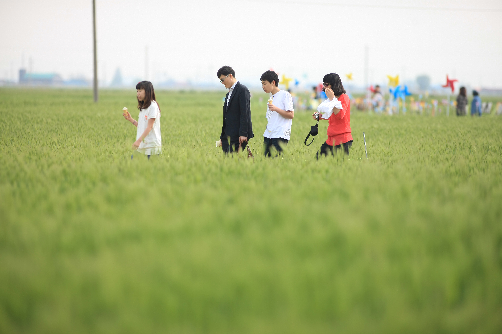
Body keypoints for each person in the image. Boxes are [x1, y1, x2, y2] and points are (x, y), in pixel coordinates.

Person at [313, 73, 352, 158]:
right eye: (324, 84)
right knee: (317, 160)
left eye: (326, 84)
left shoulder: (344, 98)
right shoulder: (331, 99)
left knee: (339, 167)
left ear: (333, 85)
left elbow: (340, 115)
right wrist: (320, 116)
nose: (324, 87)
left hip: (342, 139)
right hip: (331, 139)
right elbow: (331, 115)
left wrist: (332, 99)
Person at [216, 66, 254, 153]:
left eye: (222, 80)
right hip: (227, 136)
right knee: (227, 162)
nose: (222, 83)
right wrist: (222, 137)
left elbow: (245, 113)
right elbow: (226, 117)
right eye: (220, 81)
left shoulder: (242, 90)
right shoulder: (228, 94)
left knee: (233, 160)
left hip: (238, 136)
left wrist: (243, 134)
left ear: (230, 76)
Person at [122, 81, 162, 158]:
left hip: (151, 147)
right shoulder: (144, 106)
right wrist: (130, 119)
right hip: (142, 146)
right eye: (137, 91)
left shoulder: (153, 106)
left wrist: (138, 141)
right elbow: (142, 126)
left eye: (140, 91)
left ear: (147, 92)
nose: (138, 93)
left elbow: (149, 127)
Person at [260, 70, 294, 157]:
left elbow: (291, 115)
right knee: (266, 161)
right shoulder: (271, 97)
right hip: (269, 134)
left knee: (277, 162)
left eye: (265, 84)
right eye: (262, 84)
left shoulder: (285, 95)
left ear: (273, 82)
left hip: (280, 134)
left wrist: (276, 109)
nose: (263, 87)